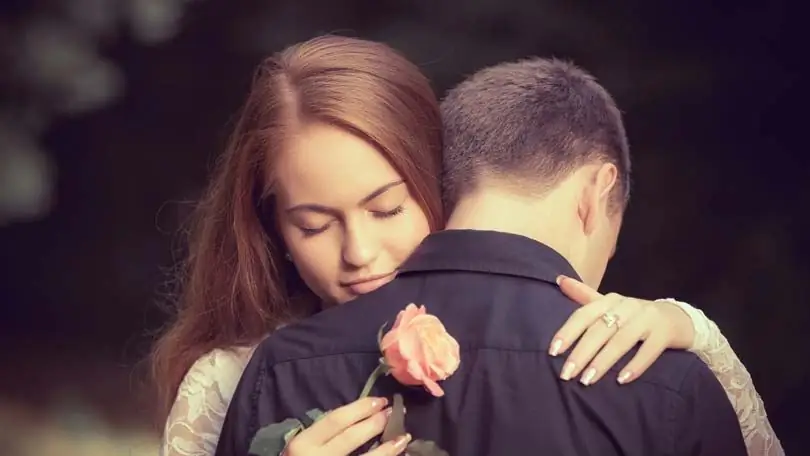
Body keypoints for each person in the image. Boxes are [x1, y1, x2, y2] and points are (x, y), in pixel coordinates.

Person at [153, 36, 782, 456]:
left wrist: (686, 327)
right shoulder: (240, 379)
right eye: (314, 225)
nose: (360, 253)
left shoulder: (625, 343)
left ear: (442, 184)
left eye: (387, 208)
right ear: (274, 234)